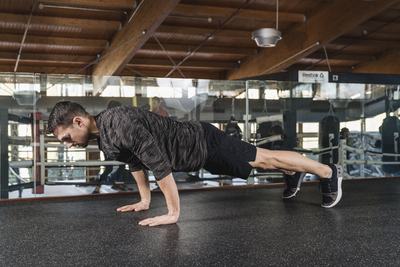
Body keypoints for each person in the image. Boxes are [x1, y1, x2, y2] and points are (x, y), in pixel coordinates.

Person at [47, 101, 343, 227]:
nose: (69, 145)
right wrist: (145, 200)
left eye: (67, 138)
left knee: (264, 158)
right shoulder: (106, 140)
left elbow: (157, 164)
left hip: (205, 140)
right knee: (254, 167)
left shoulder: (120, 123)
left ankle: (328, 172)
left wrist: (173, 213)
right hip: (199, 157)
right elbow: (135, 164)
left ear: (78, 121)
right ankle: (293, 172)